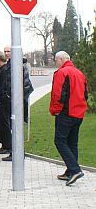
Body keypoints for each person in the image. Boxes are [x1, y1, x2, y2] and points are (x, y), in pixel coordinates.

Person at [50, 51, 88, 186]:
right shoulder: (80, 73)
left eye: (55, 61)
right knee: (72, 143)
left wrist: (55, 111)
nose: (56, 63)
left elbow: (58, 94)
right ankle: (70, 171)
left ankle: (75, 169)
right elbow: (85, 94)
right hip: (78, 113)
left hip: (66, 113)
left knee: (59, 141)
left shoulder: (62, 72)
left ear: (60, 59)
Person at [0, 46, 33, 161]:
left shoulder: (18, 64)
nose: (6, 53)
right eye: (5, 51)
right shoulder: (11, 63)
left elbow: (23, 84)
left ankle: (17, 153)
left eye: (8, 51)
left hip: (16, 101)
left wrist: (13, 96)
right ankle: (15, 152)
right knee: (13, 127)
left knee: (16, 126)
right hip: (12, 99)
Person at [0, 51, 11, 155]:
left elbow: (3, 86)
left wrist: (1, 96)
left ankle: (7, 146)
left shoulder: (4, 70)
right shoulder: (2, 69)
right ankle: (4, 144)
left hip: (3, 101)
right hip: (0, 100)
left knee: (4, 124)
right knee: (0, 123)